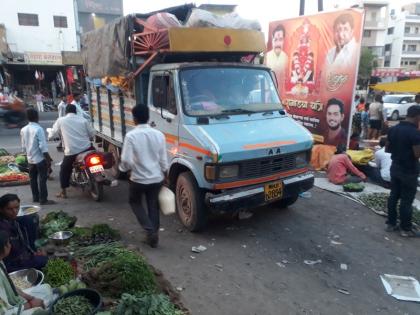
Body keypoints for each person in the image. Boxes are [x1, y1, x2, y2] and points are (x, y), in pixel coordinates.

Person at [119, 105, 168, 248]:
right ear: (148, 117)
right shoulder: (159, 134)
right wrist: (165, 173)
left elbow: (126, 160)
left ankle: (150, 230)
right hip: (156, 178)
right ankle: (154, 233)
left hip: (138, 179)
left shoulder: (131, 136)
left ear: (134, 119)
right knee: (153, 204)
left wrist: (123, 170)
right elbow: (163, 159)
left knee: (135, 202)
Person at [385, 105, 420, 237]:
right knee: (406, 200)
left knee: (394, 196)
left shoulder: (393, 129)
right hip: (409, 171)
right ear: (417, 116)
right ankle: (406, 228)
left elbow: (387, 149)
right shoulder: (415, 133)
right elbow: (417, 155)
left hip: (395, 167)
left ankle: (391, 223)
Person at [50, 104, 95, 198]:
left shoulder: (61, 120)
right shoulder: (83, 120)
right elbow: (92, 134)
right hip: (87, 148)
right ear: (75, 111)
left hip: (72, 151)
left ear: (66, 112)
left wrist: (49, 137)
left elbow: (52, 133)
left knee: (64, 169)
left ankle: (63, 192)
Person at [0, 231, 47, 314]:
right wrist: (31, 304)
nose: (10, 245)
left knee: (47, 288)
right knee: (42, 311)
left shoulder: (1, 262)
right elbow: (4, 313)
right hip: (9, 311)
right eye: (8, 243)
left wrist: (31, 298)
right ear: (3, 247)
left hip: (15, 303)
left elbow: (11, 287)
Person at [0, 194, 48, 273]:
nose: (14, 211)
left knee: (30, 219)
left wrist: (33, 252)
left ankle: (34, 252)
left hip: (21, 256)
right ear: (1, 209)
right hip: (11, 263)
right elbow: (14, 253)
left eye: (17, 207)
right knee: (44, 261)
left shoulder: (12, 220)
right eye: (9, 209)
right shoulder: (4, 228)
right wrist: (32, 256)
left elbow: (22, 243)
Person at [20, 109, 54, 205]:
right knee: (42, 179)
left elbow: (23, 147)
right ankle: (43, 199)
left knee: (33, 179)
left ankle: (35, 197)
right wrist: (48, 159)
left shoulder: (23, 129)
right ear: (37, 117)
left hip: (30, 159)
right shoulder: (38, 129)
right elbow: (43, 147)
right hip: (39, 159)